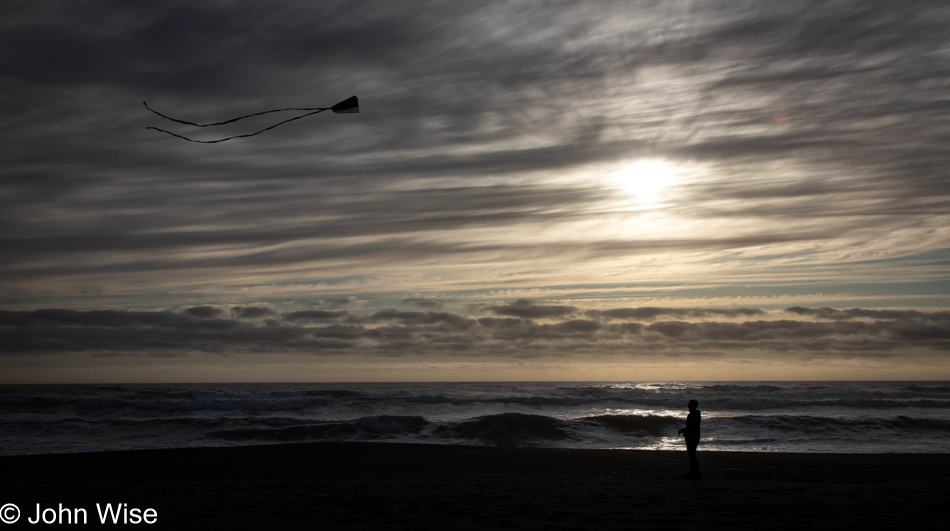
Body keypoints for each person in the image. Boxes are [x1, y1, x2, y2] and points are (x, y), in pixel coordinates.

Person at [677, 399, 701, 478]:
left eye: (689, 404)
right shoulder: (693, 414)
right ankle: (694, 472)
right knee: (691, 454)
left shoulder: (694, 415)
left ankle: (695, 472)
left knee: (691, 454)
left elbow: (692, 426)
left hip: (692, 436)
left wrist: (684, 430)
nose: (688, 405)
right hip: (691, 435)